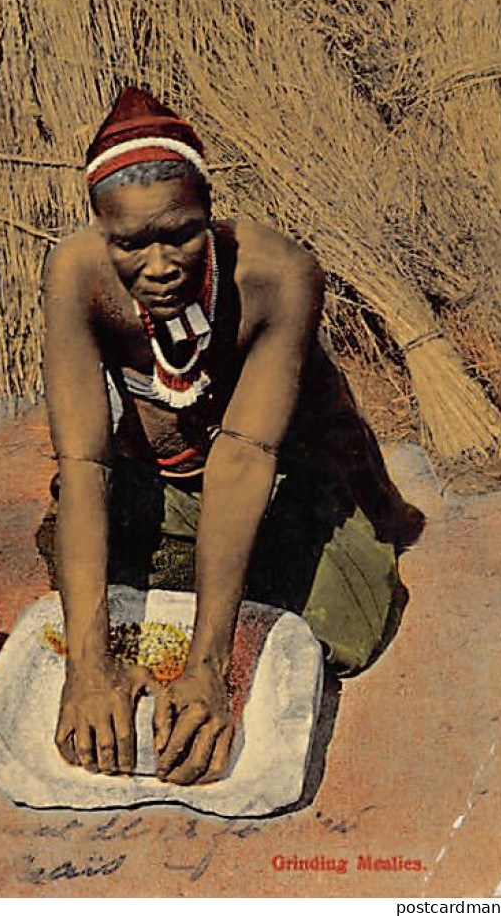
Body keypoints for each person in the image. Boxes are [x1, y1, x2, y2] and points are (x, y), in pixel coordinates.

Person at [38, 86, 423, 787]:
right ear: (101, 233)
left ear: (210, 216)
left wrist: (209, 668)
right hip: (164, 481)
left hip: (275, 482)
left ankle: (220, 586)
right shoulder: (76, 274)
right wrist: (87, 668)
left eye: (179, 232)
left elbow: (246, 457)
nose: (159, 265)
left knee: (353, 624)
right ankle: (217, 584)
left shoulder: (279, 275)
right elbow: (84, 459)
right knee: (69, 544)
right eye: (130, 242)